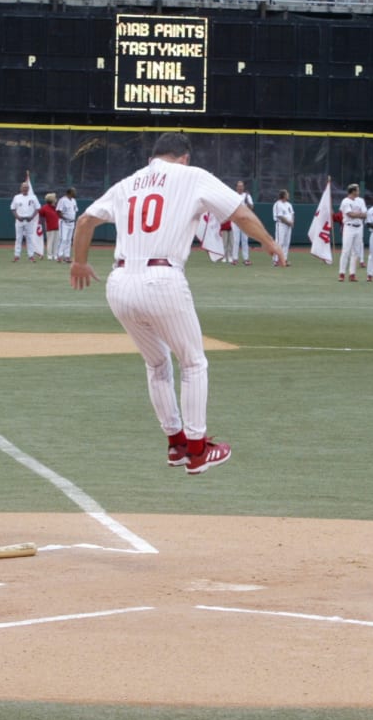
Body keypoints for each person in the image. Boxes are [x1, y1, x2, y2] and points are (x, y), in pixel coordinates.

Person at [68, 132, 288, 476]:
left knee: (156, 364)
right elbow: (240, 214)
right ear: (184, 156)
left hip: (120, 283)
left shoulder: (128, 183)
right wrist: (270, 242)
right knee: (193, 363)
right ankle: (199, 451)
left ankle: (177, 444)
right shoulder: (193, 176)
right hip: (162, 279)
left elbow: (84, 221)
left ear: (153, 157)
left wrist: (79, 262)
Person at [336, 183, 367, 282]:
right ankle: (342, 273)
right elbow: (350, 214)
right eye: (357, 190)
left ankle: (352, 274)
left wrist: (357, 214)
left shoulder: (361, 200)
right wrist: (359, 214)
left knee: (356, 252)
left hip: (359, 227)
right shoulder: (345, 201)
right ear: (353, 191)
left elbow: (365, 214)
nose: (359, 191)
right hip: (349, 227)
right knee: (346, 251)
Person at [11, 180, 41, 261]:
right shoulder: (17, 197)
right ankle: (17, 255)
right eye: (24, 187)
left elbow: (38, 208)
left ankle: (31, 256)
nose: (25, 189)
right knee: (18, 238)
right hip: (19, 220)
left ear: (28, 189)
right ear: (21, 188)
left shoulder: (33, 197)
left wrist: (32, 217)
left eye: (26, 187)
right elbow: (13, 209)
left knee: (30, 238)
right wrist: (17, 217)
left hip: (29, 220)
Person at [230, 180, 254, 264]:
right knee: (236, 239)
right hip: (236, 219)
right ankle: (235, 259)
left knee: (244, 240)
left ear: (243, 187)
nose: (240, 187)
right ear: (236, 187)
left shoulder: (247, 195)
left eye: (242, 186)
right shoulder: (233, 195)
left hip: (245, 220)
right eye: (239, 186)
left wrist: (247, 201)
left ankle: (246, 259)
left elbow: (251, 207)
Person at [271, 189, 294, 265]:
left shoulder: (289, 204)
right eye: (287, 194)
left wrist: (292, 221)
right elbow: (280, 216)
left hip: (288, 225)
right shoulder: (278, 204)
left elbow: (292, 214)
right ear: (283, 195)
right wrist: (288, 222)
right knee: (279, 242)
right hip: (281, 224)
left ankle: (284, 259)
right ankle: (276, 260)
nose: (288, 195)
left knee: (286, 243)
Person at [56, 187, 78, 263]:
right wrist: (65, 218)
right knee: (63, 239)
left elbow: (75, 211)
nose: (75, 193)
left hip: (72, 222)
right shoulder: (63, 200)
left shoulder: (74, 200)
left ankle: (67, 256)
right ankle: (59, 256)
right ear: (70, 192)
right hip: (64, 222)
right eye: (74, 192)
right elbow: (58, 211)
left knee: (69, 240)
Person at [39, 193, 61, 260]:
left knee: (56, 241)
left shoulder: (57, 207)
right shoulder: (44, 207)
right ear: (52, 200)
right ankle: (49, 255)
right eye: (55, 198)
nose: (56, 199)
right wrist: (43, 223)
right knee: (50, 241)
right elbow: (40, 214)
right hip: (49, 227)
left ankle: (55, 255)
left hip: (57, 227)